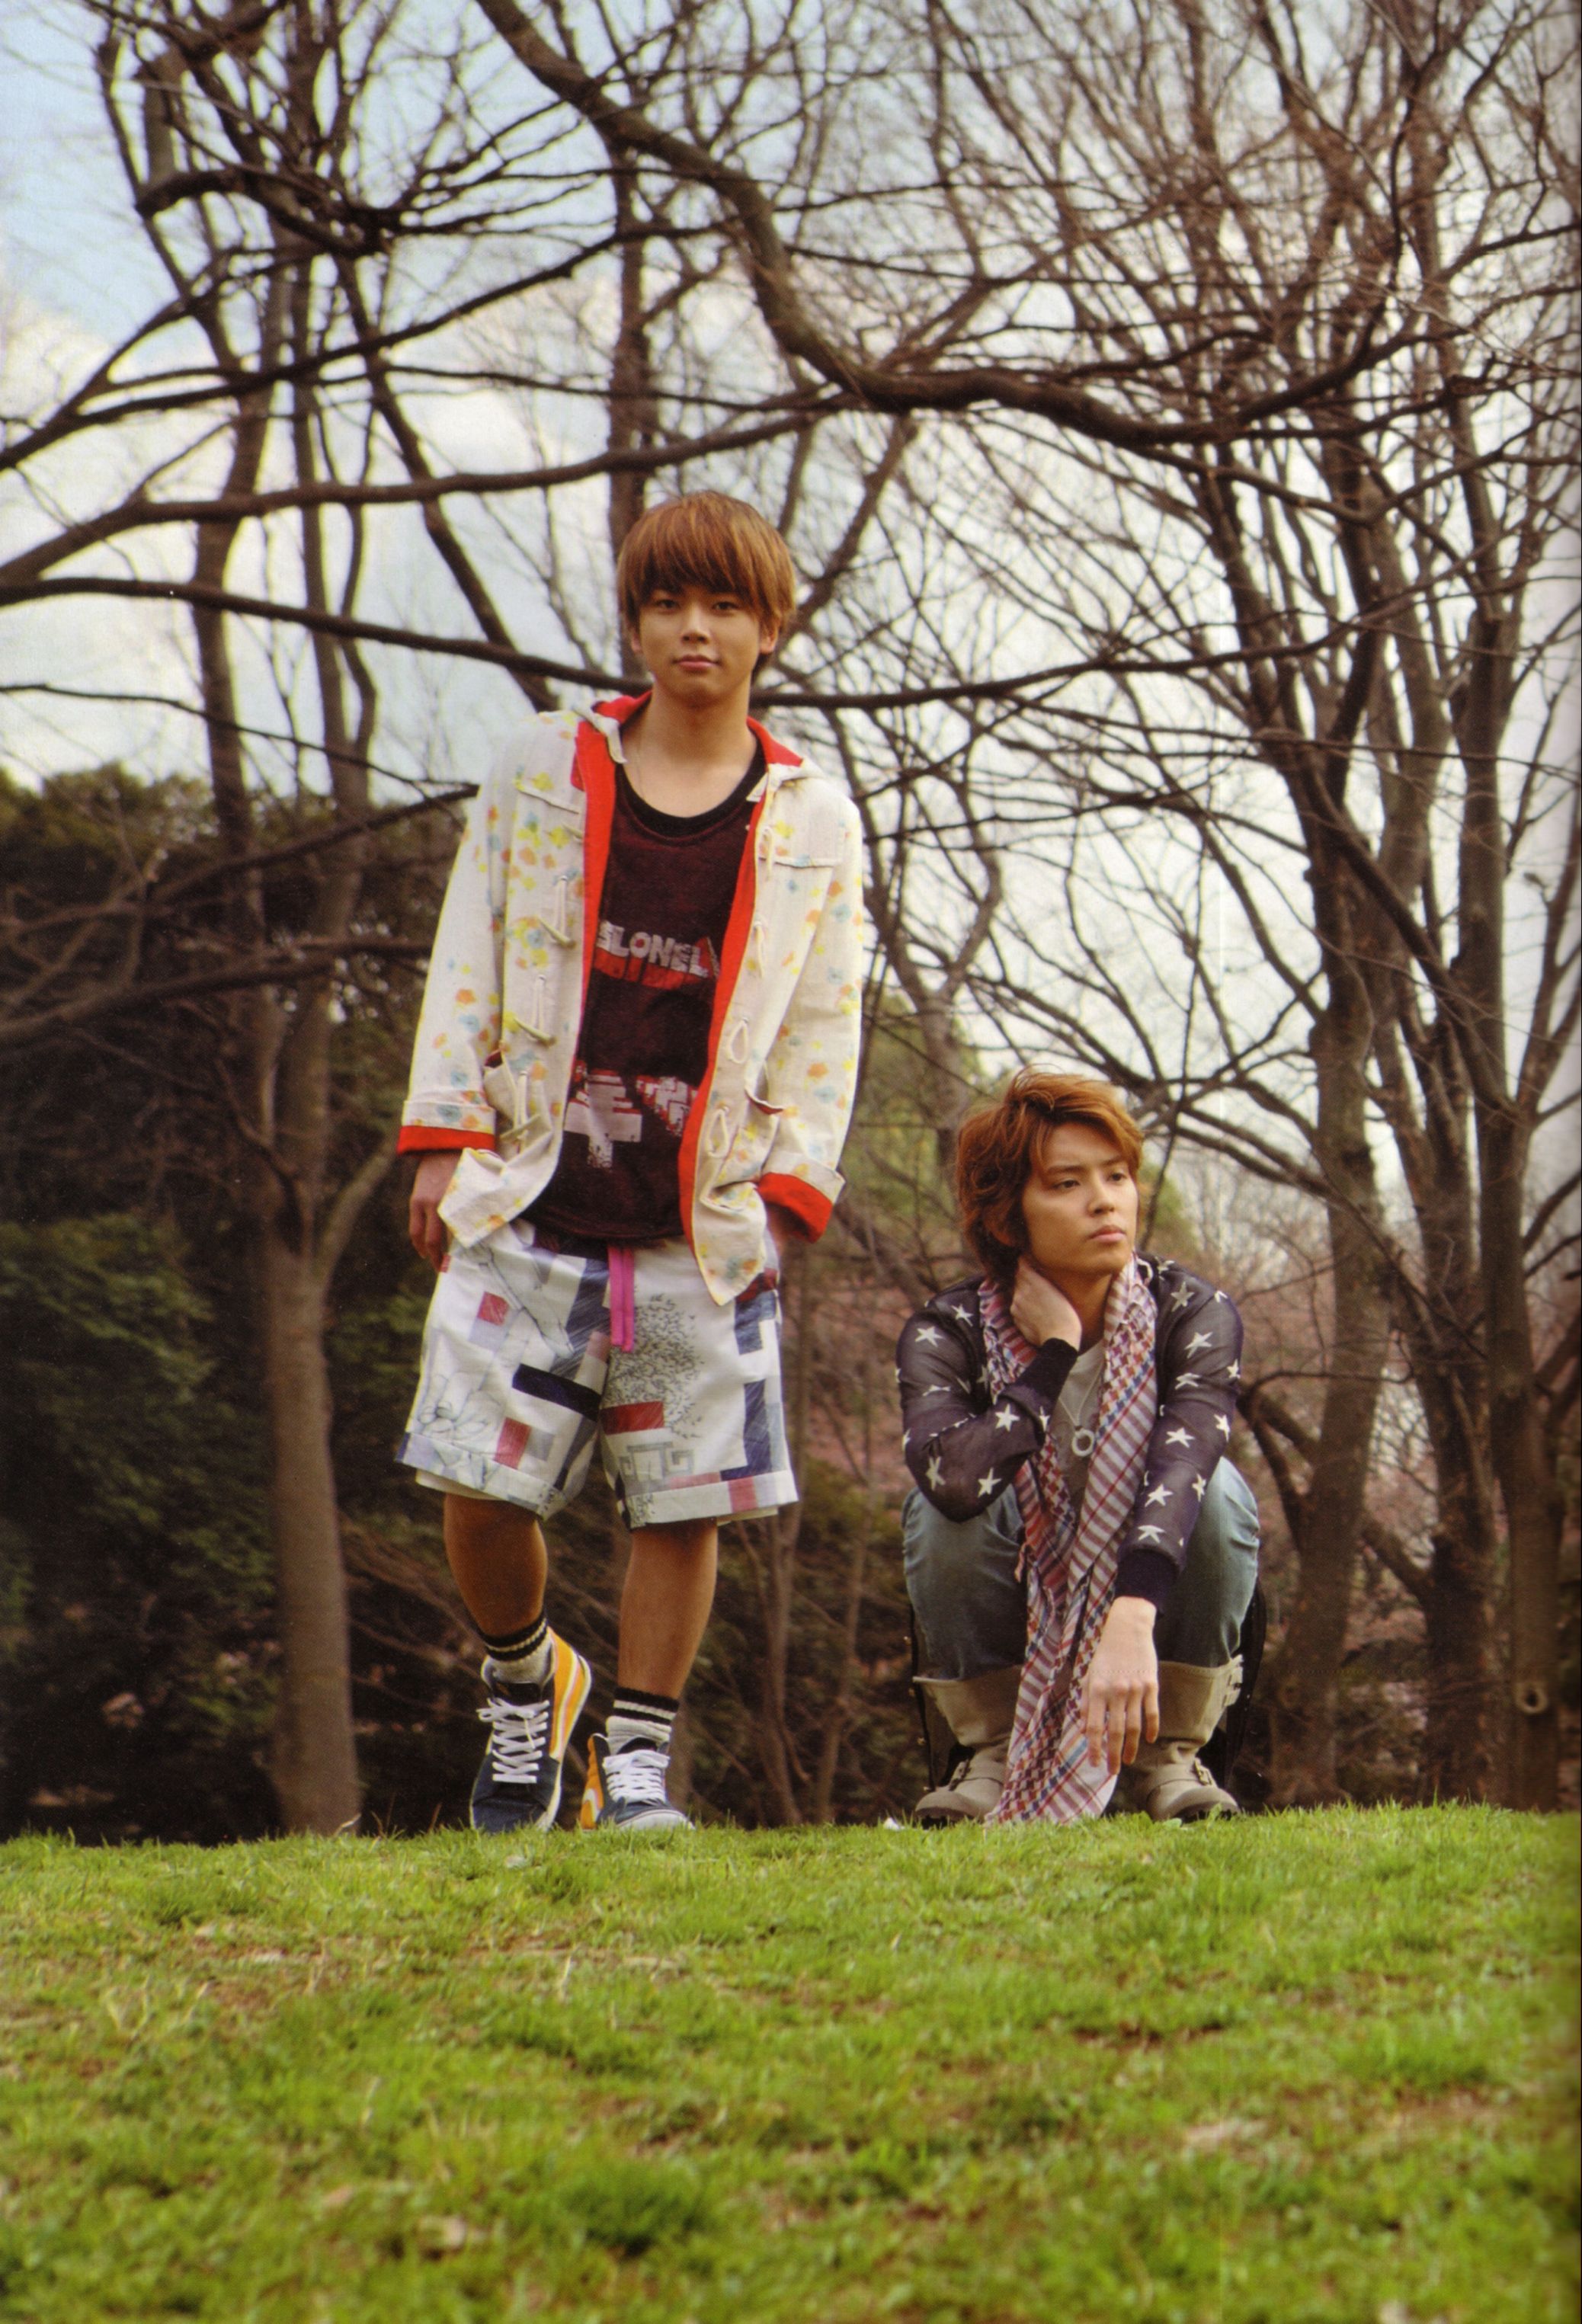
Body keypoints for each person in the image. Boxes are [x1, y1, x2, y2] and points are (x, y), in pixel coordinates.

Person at [398, 492, 863, 1833]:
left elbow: (827, 1014)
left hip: (698, 1219)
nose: (694, 629)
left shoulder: (812, 817)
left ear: (770, 627)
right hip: (528, 1191)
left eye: (724, 605)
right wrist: (441, 1136)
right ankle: (524, 1681)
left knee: (683, 1500)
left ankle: (639, 1756)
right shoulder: (542, 765)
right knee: (473, 1475)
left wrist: (788, 1195)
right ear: (637, 623)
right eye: (667, 603)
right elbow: (469, 944)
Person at [896, 1071, 1259, 1825]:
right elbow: (952, 1481)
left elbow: (1186, 1464)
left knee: (1220, 1495)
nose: (1105, 1201)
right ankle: (994, 1751)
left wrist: (1133, 1613)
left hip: (1146, 1591)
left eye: (1117, 1176)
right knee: (936, 1514)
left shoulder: (1192, 1313)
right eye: (1068, 1183)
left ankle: (1170, 1755)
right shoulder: (950, 1329)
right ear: (1008, 1216)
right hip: (1019, 1584)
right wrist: (1053, 1355)